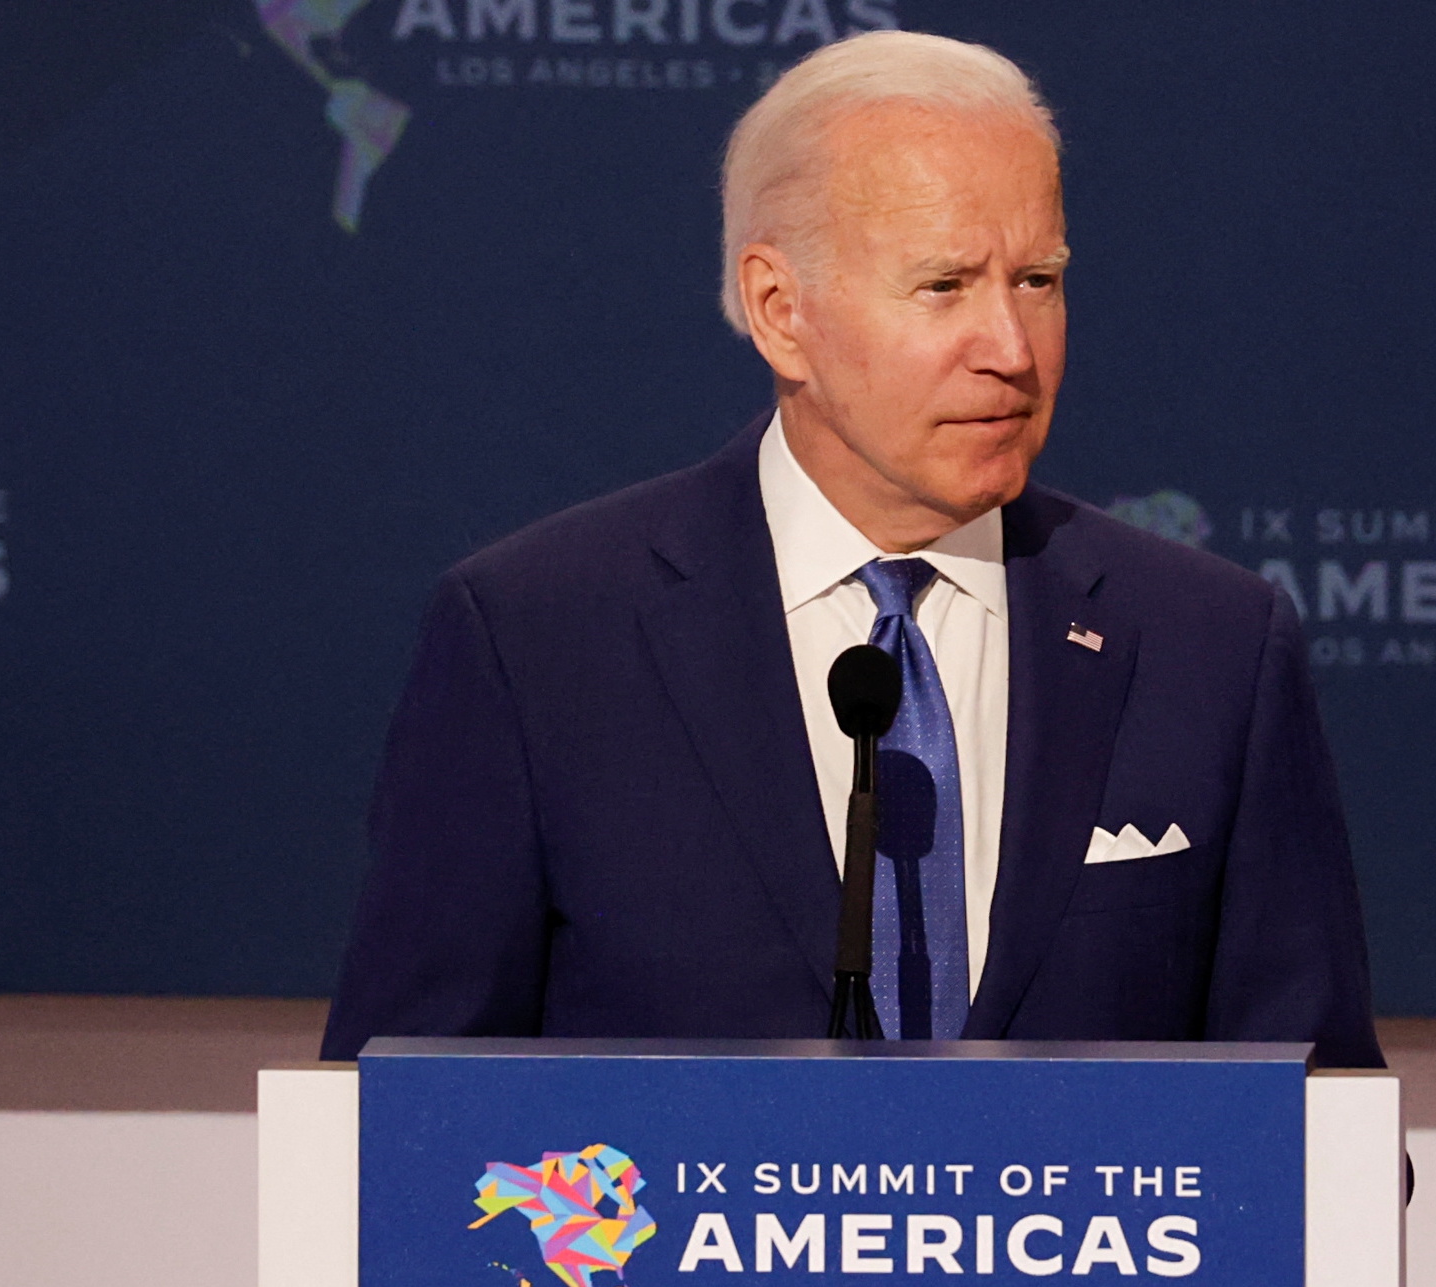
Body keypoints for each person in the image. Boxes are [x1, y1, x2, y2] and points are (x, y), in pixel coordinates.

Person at [320, 30, 1382, 1066]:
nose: (1010, 351)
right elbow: (400, 1124)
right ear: (779, 311)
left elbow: (1324, 1133)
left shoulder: (1209, 645)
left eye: (1037, 281)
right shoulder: (539, 640)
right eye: (944, 286)